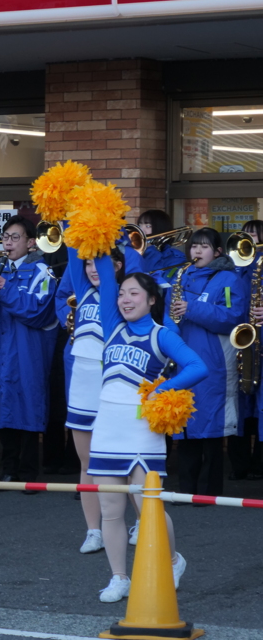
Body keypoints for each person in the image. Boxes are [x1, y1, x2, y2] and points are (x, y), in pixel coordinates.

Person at [88, 256, 206, 602]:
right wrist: (96, 232)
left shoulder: (162, 335)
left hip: (141, 431)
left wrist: (160, 390)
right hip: (106, 429)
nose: (125, 299)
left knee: (149, 507)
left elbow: (198, 367)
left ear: (152, 299)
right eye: (122, 293)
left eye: (134, 293)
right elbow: (105, 275)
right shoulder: (112, 325)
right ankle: (119, 576)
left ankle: (173, 560)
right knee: (110, 509)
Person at [0, 216, 57, 488]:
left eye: (15, 237)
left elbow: (38, 311)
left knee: (27, 405)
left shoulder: (43, 272)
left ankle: (28, 471)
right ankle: (9, 468)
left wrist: (5, 293)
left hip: (28, 352)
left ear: (31, 243)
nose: (7, 242)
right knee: (2, 404)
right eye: (5, 236)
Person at [166, 227, 244, 498]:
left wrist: (192, 308)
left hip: (214, 361)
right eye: (194, 246)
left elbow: (233, 316)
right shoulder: (181, 275)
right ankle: (186, 491)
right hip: (184, 358)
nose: (196, 251)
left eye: (204, 247)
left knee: (210, 427)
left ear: (218, 251)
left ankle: (208, 493)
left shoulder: (228, 279)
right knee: (184, 425)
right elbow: (169, 314)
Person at [59, 244, 125, 553]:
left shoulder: (118, 297)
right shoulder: (83, 292)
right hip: (81, 386)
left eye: (99, 262)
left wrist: (98, 228)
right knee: (86, 463)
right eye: (89, 264)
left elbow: (104, 267)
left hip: (110, 386)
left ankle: (135, 520)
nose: (92, 268)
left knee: (120, 461)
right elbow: (74, 254)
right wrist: (66, 212)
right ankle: (93, 530)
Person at [231, 220, 263, 480]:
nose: (250, 238)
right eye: (247, 234)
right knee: (241, 402)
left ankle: (259, 464)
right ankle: (239, 465)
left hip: (259, 339)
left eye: (255, 234)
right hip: (240, 339)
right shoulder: (234, 267)